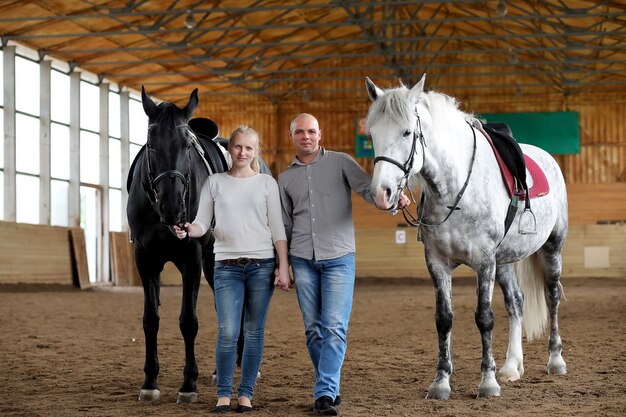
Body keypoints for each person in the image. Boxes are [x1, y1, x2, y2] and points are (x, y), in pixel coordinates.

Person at [278, 113, 409, 415]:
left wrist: (394, 200)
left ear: (320, 134)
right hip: (302, 260)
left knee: (334, 327)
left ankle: (324, 393)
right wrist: (281, 266)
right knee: (313, 330)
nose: (306, 137)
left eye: (311, 131)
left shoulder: (341, 162)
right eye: (300, 132)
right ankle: (330, 384)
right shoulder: (285, 179)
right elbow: (284, 227)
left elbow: (369, 190)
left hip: (339, 259)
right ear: (292, 136)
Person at [175, 125, 291, 413]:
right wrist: (190, 230)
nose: (242, 152)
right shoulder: (214, 182)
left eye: (249, 148)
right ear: (231, 149)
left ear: (255, 151)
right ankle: (224, 393)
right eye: (238, 147)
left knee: (253, 332)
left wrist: (283, 266)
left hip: (261, 266)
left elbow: (278, 229)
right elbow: (203, 222)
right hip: (225, 266)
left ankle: (246, 394)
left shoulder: (267, 184)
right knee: (228, 332)